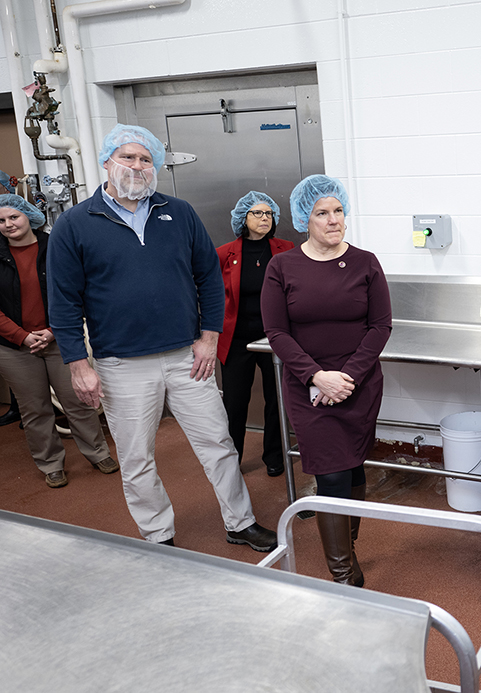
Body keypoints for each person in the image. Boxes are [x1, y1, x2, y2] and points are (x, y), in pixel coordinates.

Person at [47, 124, 277, 551]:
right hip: (120, 364)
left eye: (146, 159)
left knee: (218, 443)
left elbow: (209, 277)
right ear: (106, 162)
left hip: (186, 357)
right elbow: (62, 302)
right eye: (128, 157)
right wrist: (79, 365)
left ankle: (240, 522)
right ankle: (158, 536)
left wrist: (209, 338)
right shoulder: (75, 224)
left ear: (156, 166)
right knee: (136, 459)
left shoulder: (179, 212)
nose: (137, 166)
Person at [261, 175, 391, 586]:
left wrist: (347, 377)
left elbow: (380, 326)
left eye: (338, 212)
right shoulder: (282, 267)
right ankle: (344, 578)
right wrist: (317, 376)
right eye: (322, 213)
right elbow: (277, 333)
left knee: (353, 469)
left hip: (359, 386)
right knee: (331, 473)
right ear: (305, 219)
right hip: (308, 389)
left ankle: (347, 549)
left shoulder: (366, 262)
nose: (334, 220)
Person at [0, 194, 118, 488]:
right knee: (35, 409)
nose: (8, 224)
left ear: (29, 215)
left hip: (61, 339)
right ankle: (51, 463)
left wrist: (53, 330)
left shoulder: (55, 246)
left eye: (14, 217)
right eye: (1, 221)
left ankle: (98, 452)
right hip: (14, 347)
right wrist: (23, 337)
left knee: (78, 400)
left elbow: (76, 291)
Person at [217, 192, 294, 477]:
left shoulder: (285, 249)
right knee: (235, 403)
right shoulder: (226, 253)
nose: (265, 218)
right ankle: (231, 459)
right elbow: (213, 295)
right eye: (257, 214)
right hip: (237, 339)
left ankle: (274, 454)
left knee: (277, 399)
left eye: (269, 214)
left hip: (275, 338)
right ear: (243, 219)